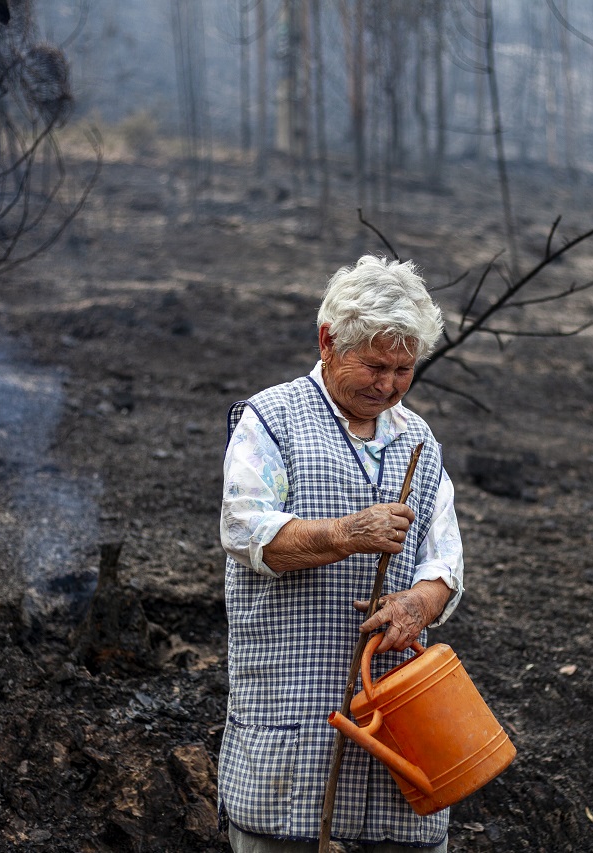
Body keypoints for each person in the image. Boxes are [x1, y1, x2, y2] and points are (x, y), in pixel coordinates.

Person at [218, 256, 464, 852]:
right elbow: (248, 533)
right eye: (375, 366)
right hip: (292, 716)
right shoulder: (270, 420)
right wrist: (348, 533)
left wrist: (419, 604)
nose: (388, 385)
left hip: (398, 719)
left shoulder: (418, 441)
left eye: (404, 369)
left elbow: (445, 562)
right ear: (328, 341)